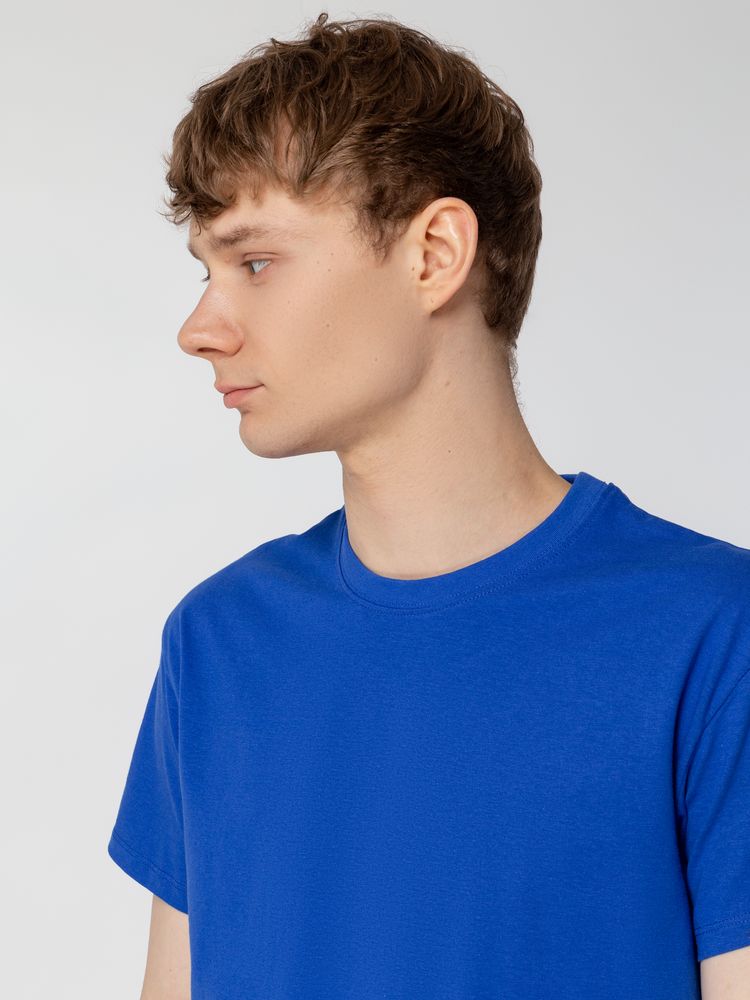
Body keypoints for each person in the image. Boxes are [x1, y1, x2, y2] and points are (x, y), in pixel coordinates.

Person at [107, 12, 750, 1000]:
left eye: (256, 262)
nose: (199, 328)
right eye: (206, 271)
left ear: (435, 253)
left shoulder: (713, 633)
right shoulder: (218, 642)